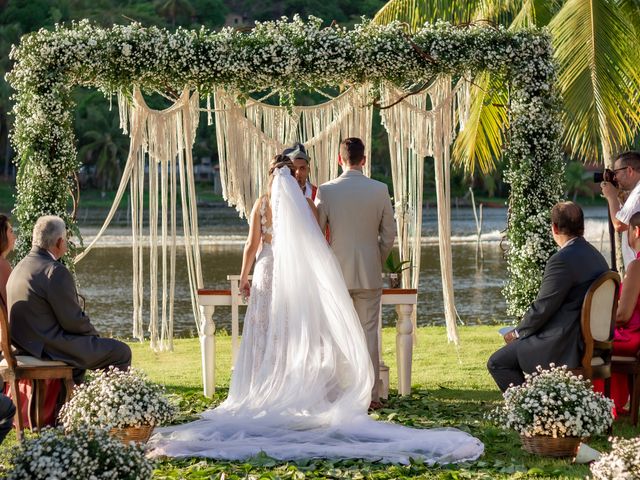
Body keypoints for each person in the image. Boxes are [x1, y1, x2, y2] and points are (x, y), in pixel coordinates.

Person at [148, 155, 483, 464]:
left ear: (269, 177)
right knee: (293, 330)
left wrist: (245, 276)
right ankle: (297, 384)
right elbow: (317, 244)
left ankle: (258, 388)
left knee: (265, 332)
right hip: (291, 274)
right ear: (293, 176)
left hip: (267, 270)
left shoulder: (262, 205)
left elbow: (252, 245)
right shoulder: (306, 204)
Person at [487, 201, 610, 392]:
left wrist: (517, 332)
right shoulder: (597, 256)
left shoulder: (562, 260)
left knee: (498, 362)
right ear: (582, 226)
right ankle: (541, 404)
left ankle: (529, 410)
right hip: (592, 343)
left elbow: (544, 307)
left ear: (554, 228)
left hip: (564, 344)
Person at [315, 137, 396, 409]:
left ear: (340, 159)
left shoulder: (326, 191)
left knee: (335, 334)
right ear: (364, 159)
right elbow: (389, 235)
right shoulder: (380, 189)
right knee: (369, 335)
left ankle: (334, 394)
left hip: (336, 273)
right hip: (369, 273)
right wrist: (376, 258)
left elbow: (316, 235)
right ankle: (371, 396)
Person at [7, 215, 131, 383]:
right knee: (120, 351)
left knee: (83, 356)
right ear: (59, 242)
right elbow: (72, 321)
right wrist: (94, 336)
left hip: (25, 345)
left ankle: (70, 402)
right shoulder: (55, 271)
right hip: (49, 347)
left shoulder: (19, 267)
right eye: (66, 239)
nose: (66, 243)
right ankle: (114, 405)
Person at [593, 211, 640, 414]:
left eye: (628, 231)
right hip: (636, 335)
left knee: (588, 342)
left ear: (637, 231)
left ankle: (602, 406)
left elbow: (623, 316)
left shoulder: (637, 266)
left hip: (633, 337)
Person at [601, 151, 640, 269]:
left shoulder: (638, 192)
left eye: (616, 172)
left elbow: (620, 224)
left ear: (629, 170)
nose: (614, 178)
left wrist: (611, 197)